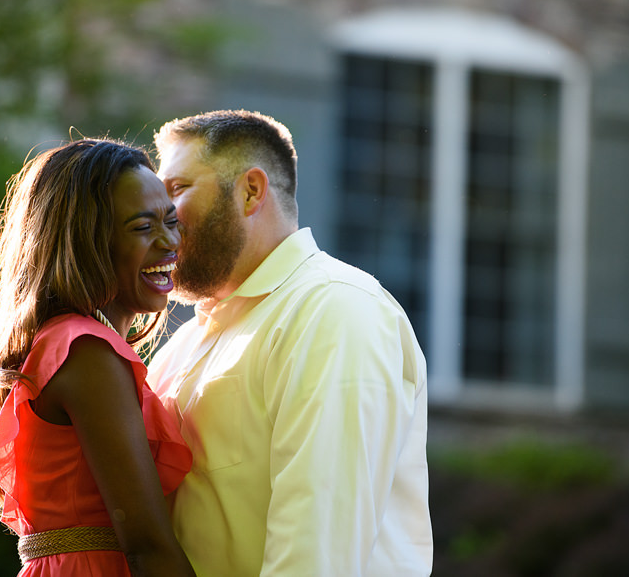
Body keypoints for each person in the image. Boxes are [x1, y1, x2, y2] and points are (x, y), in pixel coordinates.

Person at [147, 110, 433, 576]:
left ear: (251, 191)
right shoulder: (181, 347)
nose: (159, 216)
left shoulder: (335, 310)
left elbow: (316, 552)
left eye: (176, 191)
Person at [0, 139, 196, 577]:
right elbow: (148, 547)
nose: (169, 241)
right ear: (85, 241)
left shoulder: (62, 343)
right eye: (141, 227)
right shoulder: (84, 351)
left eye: (171, 221)